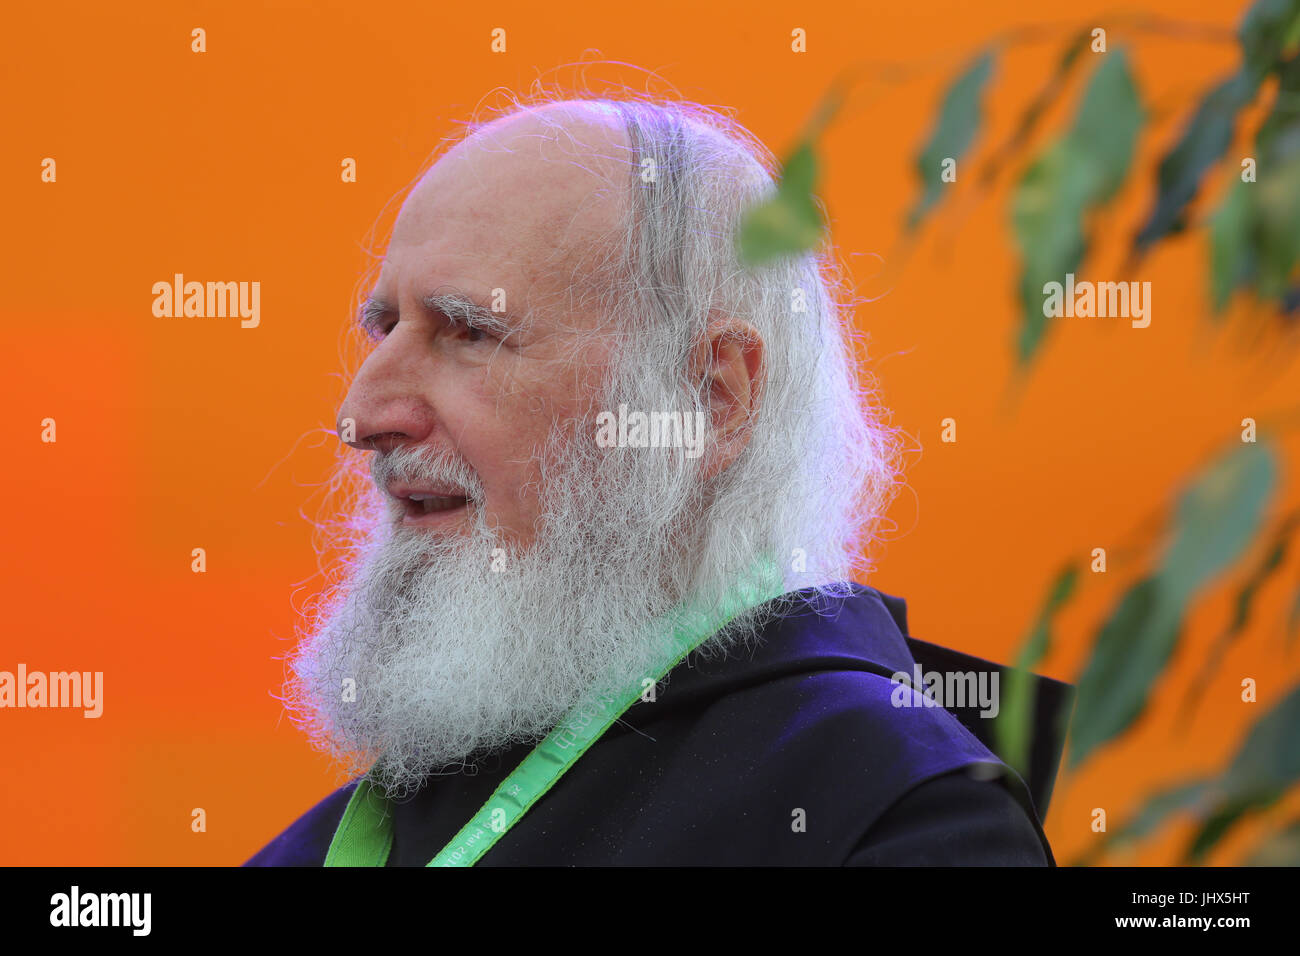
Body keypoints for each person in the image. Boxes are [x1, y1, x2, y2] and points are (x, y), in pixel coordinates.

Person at [245, 94, 1054, 866]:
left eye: (469, 332)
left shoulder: (894, 818)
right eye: (384, 328)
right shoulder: (343, 840)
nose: (361, 416)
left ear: (713, 397)